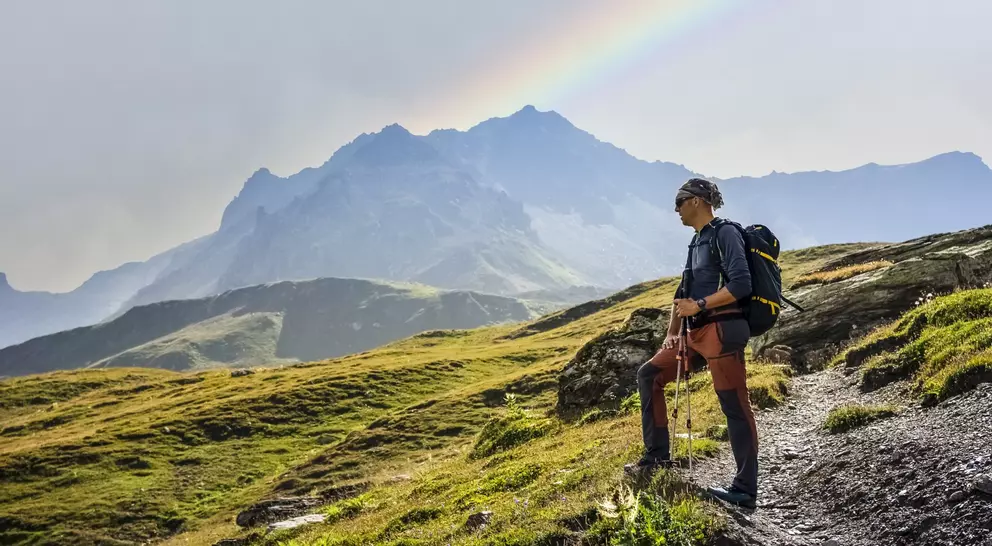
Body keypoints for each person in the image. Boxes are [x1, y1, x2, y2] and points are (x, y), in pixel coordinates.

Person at [631, 178, 759, 509]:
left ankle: (745, 490)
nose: (675, 208)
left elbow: (742, 283)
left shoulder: (725, 233)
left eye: (680, 200)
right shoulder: (696, 241)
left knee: (734, 405)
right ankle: (657, 456)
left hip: (723, 331)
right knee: (650, 375)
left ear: (698, 201)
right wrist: (673, 330)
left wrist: (700, 306)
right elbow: (683, 290)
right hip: (693, 333)